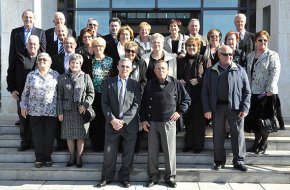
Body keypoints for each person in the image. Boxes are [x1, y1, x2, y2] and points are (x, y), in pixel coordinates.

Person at [140, 60, 191, 188]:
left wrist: (179, 112)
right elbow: (144, 103)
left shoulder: (176, 83)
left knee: (169, 151)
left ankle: (170, 177)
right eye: (158, 68)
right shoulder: (150, 84)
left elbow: (186, 99)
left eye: (163, 68)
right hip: (152, 122)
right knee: (152, 151)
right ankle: (153, 176)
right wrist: (144, 120)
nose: (161, 71)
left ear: (167, 70)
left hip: (169, 122)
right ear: (154, 71)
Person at [201, 45, 251, 172]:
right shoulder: (210, 70)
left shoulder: (240, 70)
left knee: (238, 134)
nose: (229, 56)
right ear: (219, 55)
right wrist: (207, 109)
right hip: (217, 107)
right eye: (225, 54)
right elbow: (205, 92)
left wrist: (245, 108)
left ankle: (239, 161)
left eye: (230, 54)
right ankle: (219, 161)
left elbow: (247, 91)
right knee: (217, 135)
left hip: (235, 108)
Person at [97, 58, 141, 188]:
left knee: (128, 153)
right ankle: (106, 177)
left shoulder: (135, 84)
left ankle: (125, 177)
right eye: (122, 66)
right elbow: (104, 103)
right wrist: (112, 120)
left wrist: (123, 121)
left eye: (127, 67)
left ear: (131, 69)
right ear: (117, 66)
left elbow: (136, 105)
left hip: (129, 125)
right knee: (109, 152)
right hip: (112, 124)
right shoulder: (108, 83)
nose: (125, 69)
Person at [20, 52, 59, 168]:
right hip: (34, 111)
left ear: (50, 62)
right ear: (37, 62)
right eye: (40, 59)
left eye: (45, 60)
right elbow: (25, 93)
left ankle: (47, 157)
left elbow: (60, 94)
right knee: (37, 135)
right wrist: (23, 106)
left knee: (49, 135)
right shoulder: (31, 75)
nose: (42, 61)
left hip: (51, 110)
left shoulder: (56, 75)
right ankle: (38, 157)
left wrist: (61, 110)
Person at [245, 30, 282, 154]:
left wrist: (270, 88)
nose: (262, 42)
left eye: (265, 40)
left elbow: (274, 71)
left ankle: (263, 143)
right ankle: (256, 142)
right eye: (260, 40)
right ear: (255, 42)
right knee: (255, 119)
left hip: (267, 93)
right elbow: (248, 74)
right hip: (253, 93)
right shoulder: (250, 56)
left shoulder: (272, 55)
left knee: (266, 120)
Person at [9, 9, 46, 126]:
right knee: (20, 94)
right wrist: (11, 67)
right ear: (22, 18)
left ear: (34, 19)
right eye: (26, 17)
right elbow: (12, 52)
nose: (28, 19)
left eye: (30, 17)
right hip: (20, 67)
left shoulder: (40, 32)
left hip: (35, 67)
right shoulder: (15, 32)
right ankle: (22, 118)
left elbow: (43, 51)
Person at [57, 53, 95, 168]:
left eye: (77, 63)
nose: (74, 64)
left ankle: (79, 157)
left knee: (80, 136)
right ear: (69, 64)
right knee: (69, 136)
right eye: (72, 62)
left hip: (81, 111)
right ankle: (71, 156)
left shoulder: (86, 77)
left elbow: (91, 93)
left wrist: (85, 104)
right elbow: (59, 96)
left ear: (80, 64)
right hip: (67, 111)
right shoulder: (62, 77)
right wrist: (59, 112)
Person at [6, 35, 40, 151]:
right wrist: (12, 89)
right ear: (26, 45)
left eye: (35, 44)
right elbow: (10, 74)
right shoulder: (18, 57)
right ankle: (25, 143)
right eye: (30, 44)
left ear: (38, 45)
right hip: (22, 94)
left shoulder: (42, 58)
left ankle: (36, 143)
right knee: (24, 119)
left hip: (38, 96)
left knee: (35, 121)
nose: (32, 46)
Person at [178, 37, 208, 153]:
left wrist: (199, 80)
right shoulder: (181, 60)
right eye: (189, 46)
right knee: (188, 121)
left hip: (199, 96)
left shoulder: (203, 59)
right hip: (185, 95)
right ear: (186, 47)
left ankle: (198, 146)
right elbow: (177, 75)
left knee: (199, 122)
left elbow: (209, 76)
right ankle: (188, 144)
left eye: (194, 45)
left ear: (198, 47)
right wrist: (179, 80)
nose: (191, 48)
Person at [51, 36, 78, 150]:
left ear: (75, 45)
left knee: (77, 122)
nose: (68, 45)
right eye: (66, 43)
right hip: (61, 93)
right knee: (60, 119)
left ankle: (76, 146)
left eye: (71, 43)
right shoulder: (56, 58)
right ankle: (61, 145)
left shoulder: (82, 57)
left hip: (77, 94)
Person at [88, 37, 113, 152]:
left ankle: (105, 145)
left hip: (107, 94)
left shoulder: (110, 60)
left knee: (106, 120)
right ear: (92, 48)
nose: (98, 48)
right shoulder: (90, 61)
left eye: (100, 46)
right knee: (95, 120)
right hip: (94, 95)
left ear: (104, 47)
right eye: (95, 46)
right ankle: (96, 145)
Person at [124, 41, 147, 153]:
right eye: (128, 51)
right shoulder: (121, 62)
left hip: (137, 96)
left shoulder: (141, 63)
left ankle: (136, 147)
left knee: (135, 121)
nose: (130, 53)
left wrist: (138, 92)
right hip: (123, 96)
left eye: (133, 51)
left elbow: (143, 80)